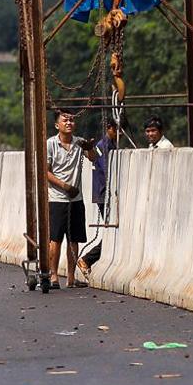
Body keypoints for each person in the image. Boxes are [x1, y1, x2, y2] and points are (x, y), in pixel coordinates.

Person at [44, 110, 100, 289]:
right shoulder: (51, 144)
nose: (69, 122)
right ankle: (53, 276)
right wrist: (64, 186)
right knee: (56, 239)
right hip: (57, 198)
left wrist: (89, 147)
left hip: (76, 199)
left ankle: (70, 277)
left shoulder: (79, 143)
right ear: (57, 125)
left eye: (71, 120)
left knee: (74, 239)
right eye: (65, 120)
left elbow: (94, 159)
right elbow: (45, 171)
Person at [76, 119, 117, 282]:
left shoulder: (111, 144)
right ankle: (87, 259)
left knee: (113, 234)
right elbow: (106, 170)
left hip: (105, 194)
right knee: (113, 234)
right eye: (117, 130)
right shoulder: (103, 147)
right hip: (103, 194)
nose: (119, 134)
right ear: (109, 128)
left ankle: (87, 259)